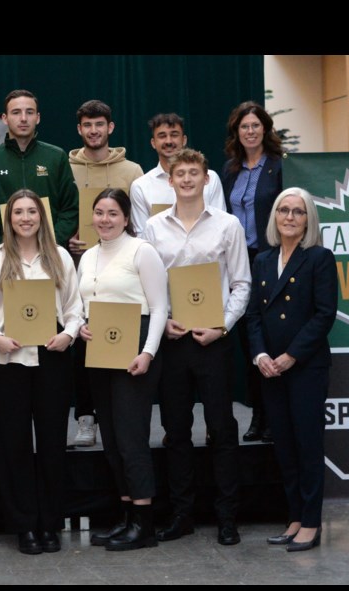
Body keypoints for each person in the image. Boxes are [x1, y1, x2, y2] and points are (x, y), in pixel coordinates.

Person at [142, 149, 251, 546]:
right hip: (173, 342)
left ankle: (227, 517)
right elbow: (148, 285)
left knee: (222, 429)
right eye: (180, 173)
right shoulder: (153, 228)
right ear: (169, 181)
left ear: (207, 180)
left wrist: (222, 326)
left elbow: (242, 284)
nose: (187, 179)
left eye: (194, 173)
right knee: (176, 431)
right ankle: (182, 514)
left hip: (214, 342)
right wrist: (164, 319)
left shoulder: (228, 226)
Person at [0, 189, 83, 555]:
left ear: (41, 217)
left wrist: (68, 335)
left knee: (52, 442)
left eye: (31, 211)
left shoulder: (60, 257)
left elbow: (74, 307)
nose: (25, 218)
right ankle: (24, 526)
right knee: (13, 444)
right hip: (10, 361)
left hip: (52, 356)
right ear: (9, 219)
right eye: (18, 212)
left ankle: (50, 523)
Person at [247, 187, 337, 552]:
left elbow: (323, 315)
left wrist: (291, 356)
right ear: (274, 217)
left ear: (308, 219)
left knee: (307, 445)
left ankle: (312, 522)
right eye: (283, 210)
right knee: (284, 446)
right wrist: (260, 356)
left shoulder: (319, 258)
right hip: (270, 369)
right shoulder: (264, 260)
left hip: (305, 368)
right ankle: (295, 518)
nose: (289, 217)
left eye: (298, 212)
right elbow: (253, 315)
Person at [78, 188, 168, 551]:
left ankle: (144, 524)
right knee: (112, 440)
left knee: (131, 438)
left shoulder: (142, 251)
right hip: (100, 350)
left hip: (136, 349)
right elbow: (85, 304)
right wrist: (82, 325)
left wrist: (147, 352)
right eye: (99, 212)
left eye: (113, 213)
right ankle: (126, 516)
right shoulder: (87, 257)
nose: (104, 219)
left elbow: (161, 307)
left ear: (127, 218)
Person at [67, 99, 144, 448]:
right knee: (83, 338)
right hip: (78, 263)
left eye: (100, 124)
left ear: (110, 128)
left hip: (122, 266)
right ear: (79, 129)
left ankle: (122, 417)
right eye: (87, 125)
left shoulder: (132, 171)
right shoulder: (65, 167)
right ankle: (86, 417)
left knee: (116, 340)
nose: (94, 131)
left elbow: (139, 223)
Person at [221, 101, 285, 443]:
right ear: (237, 132)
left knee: (272, 339)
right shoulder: (230, 170)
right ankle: (257, 415)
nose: (250, 132)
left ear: (265, 129)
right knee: (249, 342)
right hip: (239, 262)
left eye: (255, 126)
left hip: (270, 259)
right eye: (244, 127)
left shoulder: (278, 167)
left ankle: (273, 416)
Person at [0, 90, 79, 251]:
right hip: (6, 254)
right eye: (16, 112)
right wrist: (3, 246)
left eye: (29, 112)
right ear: (4, 118)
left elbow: (70, 209)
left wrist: (51, 242)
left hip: (51, 253)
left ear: (38, 117)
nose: (23, 118)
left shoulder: (56, 157)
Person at [129, 113, 226, 235]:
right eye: (162, 136)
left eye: (174, 135)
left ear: (184, 140)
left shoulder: (210, 178)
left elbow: (220, 225)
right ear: (153, 143)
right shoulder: (140, 186)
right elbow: (142, 236)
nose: (169, 141)